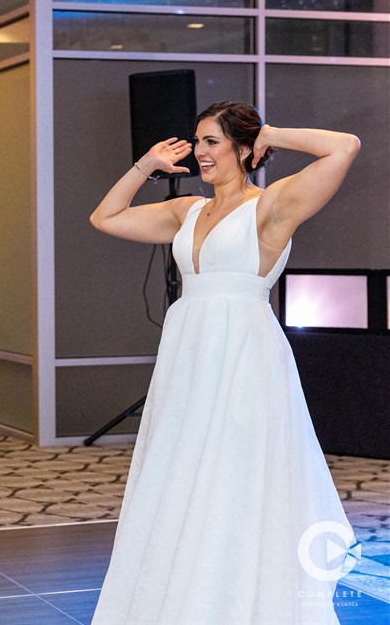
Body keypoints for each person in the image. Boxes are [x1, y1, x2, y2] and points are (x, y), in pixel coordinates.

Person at [89, 101, 360, 624]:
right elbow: (105, 218)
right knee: (182, 472)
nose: (200, 152)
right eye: (198, 141)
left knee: (234, 473)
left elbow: (343, 146)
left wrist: (272, 131)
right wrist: (145, 166)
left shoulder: (272, 205)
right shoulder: (186, 210)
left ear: (243, 148)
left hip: (245, 357)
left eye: (212, 141)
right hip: (187, 356)